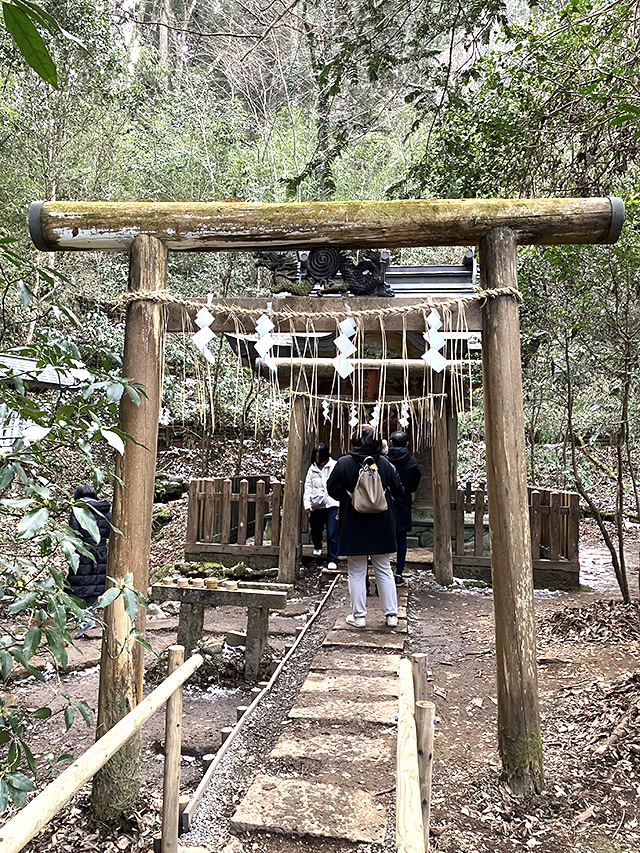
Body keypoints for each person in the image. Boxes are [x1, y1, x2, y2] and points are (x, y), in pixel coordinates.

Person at [327, 425, 403, 628]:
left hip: (354, 521)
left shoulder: (344, 463)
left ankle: (359, 617)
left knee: (357, 570)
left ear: (355, 440)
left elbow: (332, 489)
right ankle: (392, 616)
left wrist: (349, 496)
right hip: (382, 523)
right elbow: (398, 489)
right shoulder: (385, 464)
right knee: (384, 569)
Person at [68, 484, 111, 637]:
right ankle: (89, 617)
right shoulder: (105, 509)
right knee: (94, 587)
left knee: (78, 588)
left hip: (83, 553)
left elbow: (73, 533)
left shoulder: (78, 509)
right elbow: (110, 531)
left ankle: (86, 621)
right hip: (101, 553)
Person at [387, 431, 422, 585]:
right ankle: (399, 573)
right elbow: (414, 485)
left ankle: (384, 572)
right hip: (403, 502)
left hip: (385, 503)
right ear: (407, 444)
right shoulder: (412, 462)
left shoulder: (384, 461)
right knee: (401, 539)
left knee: (384, 538)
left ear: (390, 443)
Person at [303, 443, 339, 569]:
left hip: (333, 503)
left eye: (319, 457)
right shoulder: (312, 469)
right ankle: (317, 546)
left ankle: (332, 559)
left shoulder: (334, 466)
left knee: (332, 531)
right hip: (318, 504)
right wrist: (307, 504)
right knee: (316, 528)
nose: (318, 460)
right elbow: (308, 488)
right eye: (316, 457)